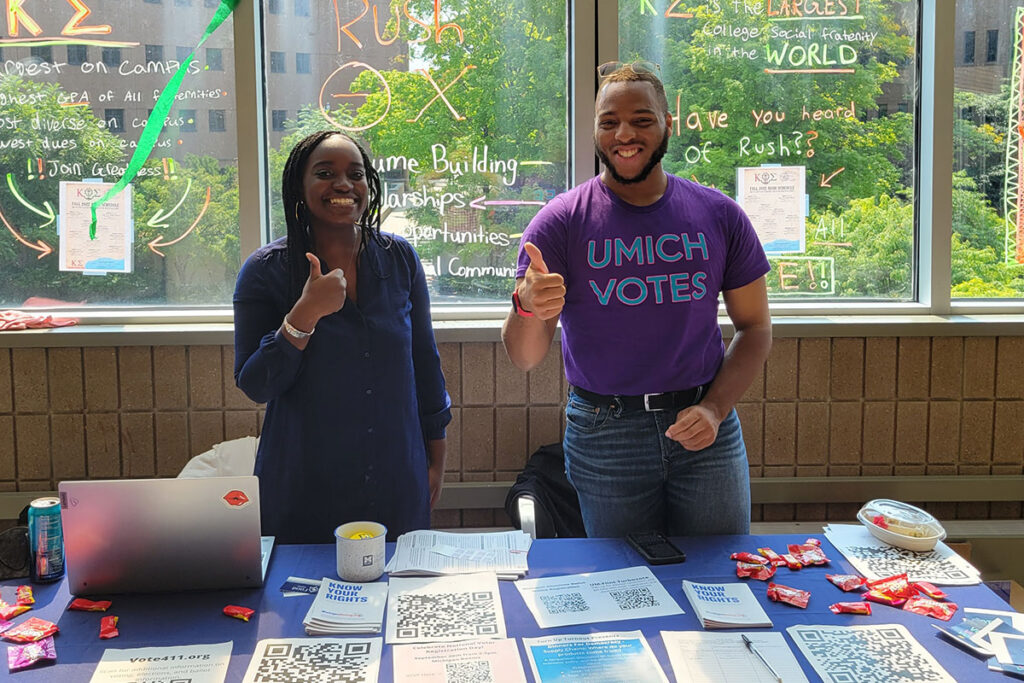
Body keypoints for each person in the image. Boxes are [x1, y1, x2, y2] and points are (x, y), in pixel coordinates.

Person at [502, 62, 772, 538]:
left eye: (642, 120)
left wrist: (714, 408)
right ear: (594, 131)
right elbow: (524, 357)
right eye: (609, 122)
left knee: (721, 579)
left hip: (705, 426)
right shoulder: (559, 223)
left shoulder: (719, 214)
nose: (624, 134)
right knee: (625, 587)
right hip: (604, 434)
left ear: (668, 123)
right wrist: (526, 306)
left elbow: (756, 328)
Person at [233, 130, 451, 544]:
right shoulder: (265, 271)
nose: (343, 185)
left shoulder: (400, 259)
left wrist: (435, 460)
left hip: (395, 481)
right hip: (303, 488)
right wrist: (304, 314)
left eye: (356, 174)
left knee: (396, 600)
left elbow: (425, 363)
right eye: (325, 173)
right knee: (296, 604)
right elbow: (256, 384)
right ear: (300, 186)